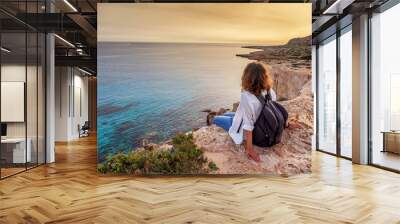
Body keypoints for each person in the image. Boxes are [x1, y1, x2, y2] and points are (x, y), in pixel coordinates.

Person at [213, 62, 276, 162]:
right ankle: (228, 116)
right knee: (226, 114)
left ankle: (223, 120)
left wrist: (250, 149)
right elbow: (273, 110)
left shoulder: (247, 96)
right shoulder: (270, 91)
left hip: (251, 129)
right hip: (261, 122)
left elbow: (248, 125)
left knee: (215, 119)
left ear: (247, 77)